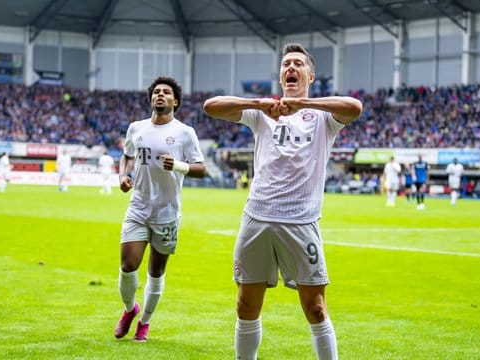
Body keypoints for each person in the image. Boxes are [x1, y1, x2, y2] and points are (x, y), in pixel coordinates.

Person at [203, 43, 362, 360]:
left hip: (301, 222)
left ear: (310, 75)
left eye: (298, 64)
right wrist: (258, 104)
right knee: (246, 305)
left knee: (315, 308)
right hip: (257, 218)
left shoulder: (323, 116)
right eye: (286, 63)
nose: (291, 67)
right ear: (280, 74)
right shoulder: (262, 113)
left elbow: (354, 107)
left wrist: (301, 103)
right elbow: (210, 106)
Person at [114, 76, 206, 343]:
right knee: (128, 265)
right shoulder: (136, 128)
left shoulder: (185, 132)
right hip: (138, 207)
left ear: (175, 101)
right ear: (151, 99)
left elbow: (201, 168)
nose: (160, 95)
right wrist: (122, 175)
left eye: (166, 92)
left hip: (167, 212)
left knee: (156, 272)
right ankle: (131, 310)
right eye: (156, 92)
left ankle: (145, 323)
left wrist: (178, 165)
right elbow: (127, 156)